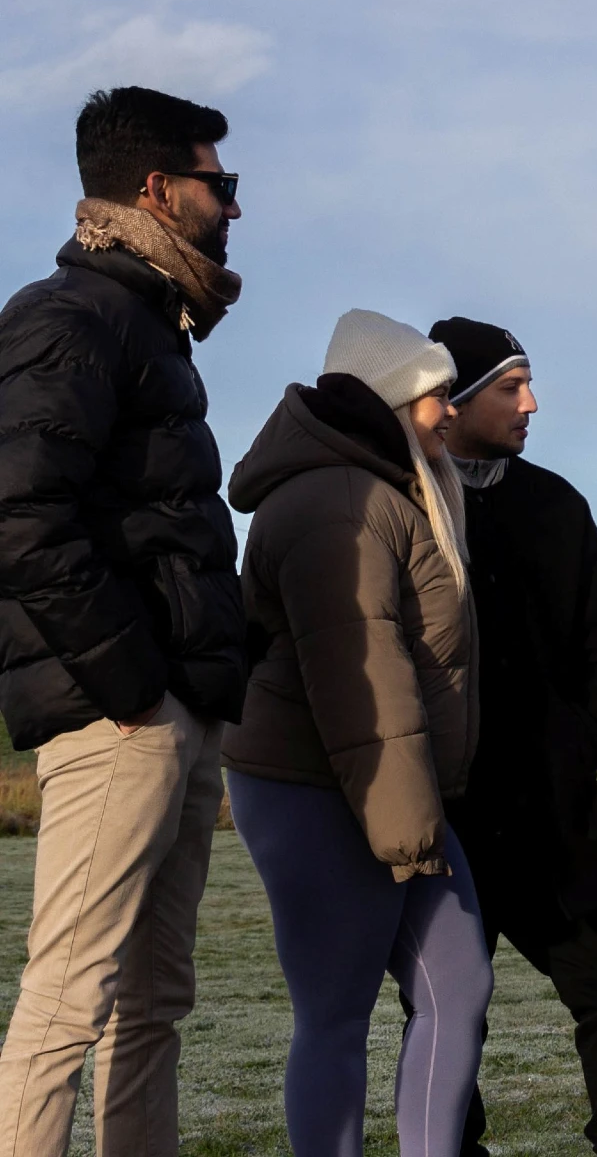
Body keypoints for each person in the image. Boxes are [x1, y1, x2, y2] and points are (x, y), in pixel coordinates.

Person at [0, 87, 248, 1156]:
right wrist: (131, 683)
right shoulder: (71, 316)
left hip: (171, 706)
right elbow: (18, 516)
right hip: (123, 717)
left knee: (153, 1005)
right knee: (68, 999)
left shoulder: (147, 323)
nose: (234, 207)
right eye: (219, 183)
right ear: (156, 190)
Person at [222, 310, 491, 1156]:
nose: (450, 411)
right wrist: (409, 830)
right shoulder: (340, 502)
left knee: (459, 982)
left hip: (387, 787)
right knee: (336, 1013)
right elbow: (357, 679)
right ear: (389, 400)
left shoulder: (392, 493)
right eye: (435, 396)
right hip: (317, 788)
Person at [425, 316, 597, 1157]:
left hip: (563, 818)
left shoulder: (559, 505)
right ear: (448, 403)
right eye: (510, 387)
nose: (534, 403)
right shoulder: (400, 504)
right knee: (445, 1017)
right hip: (445, 819)